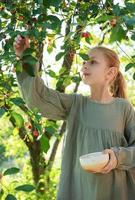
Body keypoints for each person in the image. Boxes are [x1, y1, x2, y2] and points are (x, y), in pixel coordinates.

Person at [13, 35, 135, 200]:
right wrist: (25, 57)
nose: (85, 64)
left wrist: (116, 157)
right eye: (84, 61)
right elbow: (38, 99)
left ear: (110, 72)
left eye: (93, 62)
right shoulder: (75, 104)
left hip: (116, 193)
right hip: (79, 192)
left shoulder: (124, 108)